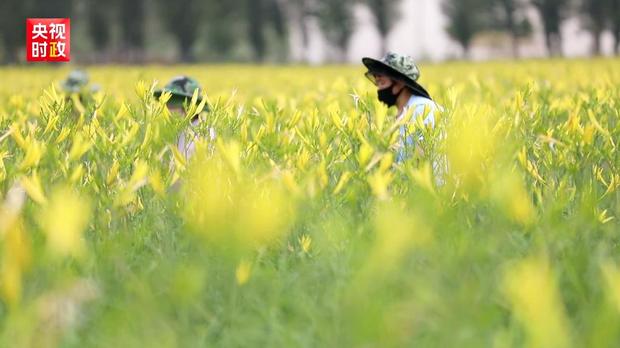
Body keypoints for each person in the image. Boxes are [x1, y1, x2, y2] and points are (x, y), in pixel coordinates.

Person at [362, 52, 446, 182]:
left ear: (400, 82)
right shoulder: (399, 115)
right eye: (377, 83)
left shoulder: (422, 108)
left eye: (382, 82)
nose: (379, 89)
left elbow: (421, 157)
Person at [153, 76, 216, 162]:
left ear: (189, 107)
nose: (167, 110)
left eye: (171, 105)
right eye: (165, 105)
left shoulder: (203, 132)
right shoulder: (183, 129)